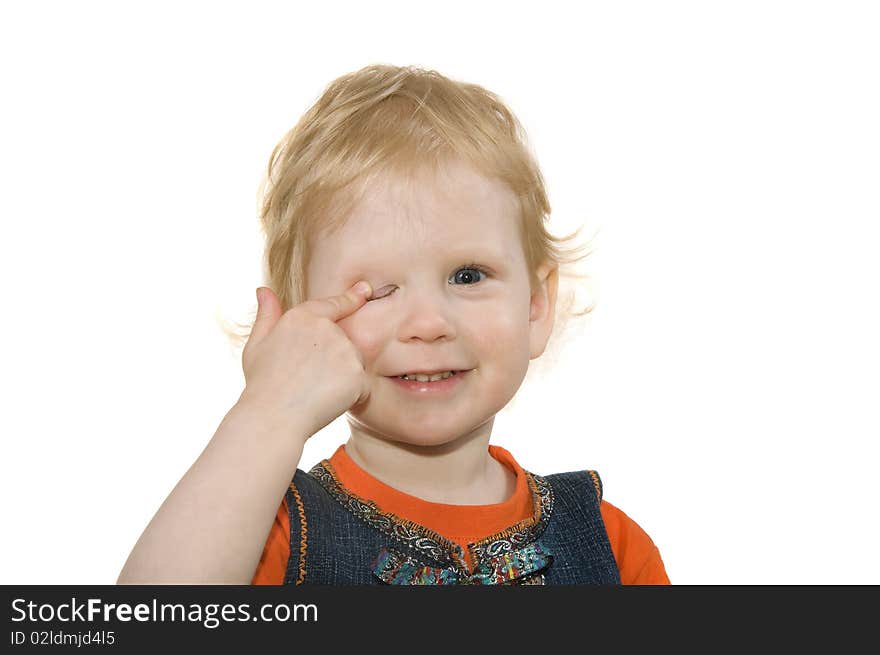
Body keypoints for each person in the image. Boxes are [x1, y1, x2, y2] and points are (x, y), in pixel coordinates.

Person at [117, 63, 669, 585]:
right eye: (377, 290)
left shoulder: (611, 548)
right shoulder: (267, 537)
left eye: (468, 275)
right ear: (302, 327)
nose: (428, 324)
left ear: (535, 307)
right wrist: (270, 411)